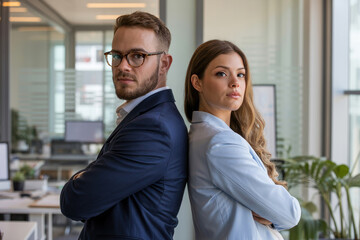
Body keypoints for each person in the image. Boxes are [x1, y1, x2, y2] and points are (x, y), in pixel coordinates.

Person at [60, 11, 188, 240]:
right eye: (117, 55)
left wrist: (82, 177)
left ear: (164, 64)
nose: (123, 66)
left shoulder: (153, 128)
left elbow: (75, 203)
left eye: (137, 56)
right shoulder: (145, 117)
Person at [184, 39, 301, 240]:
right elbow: (290, 213)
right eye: (221, 73)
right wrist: (275, 213)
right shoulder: (220, 144)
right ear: (197, 82)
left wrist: (272, 214)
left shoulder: (202, 135)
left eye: (240, 74)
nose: (235, 82)